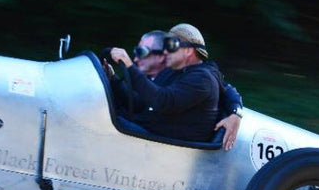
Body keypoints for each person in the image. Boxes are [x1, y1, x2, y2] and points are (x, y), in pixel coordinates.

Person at [104, 28, 243, 150]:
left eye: (171, 45)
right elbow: (139, 103)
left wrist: (129, 66)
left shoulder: (202, 79)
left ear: (189, 50)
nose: (165, 51)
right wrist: (113, 80)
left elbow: (162, 101)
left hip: (170, 149)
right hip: (151, 134)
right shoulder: (175, 72)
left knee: (106, 122)